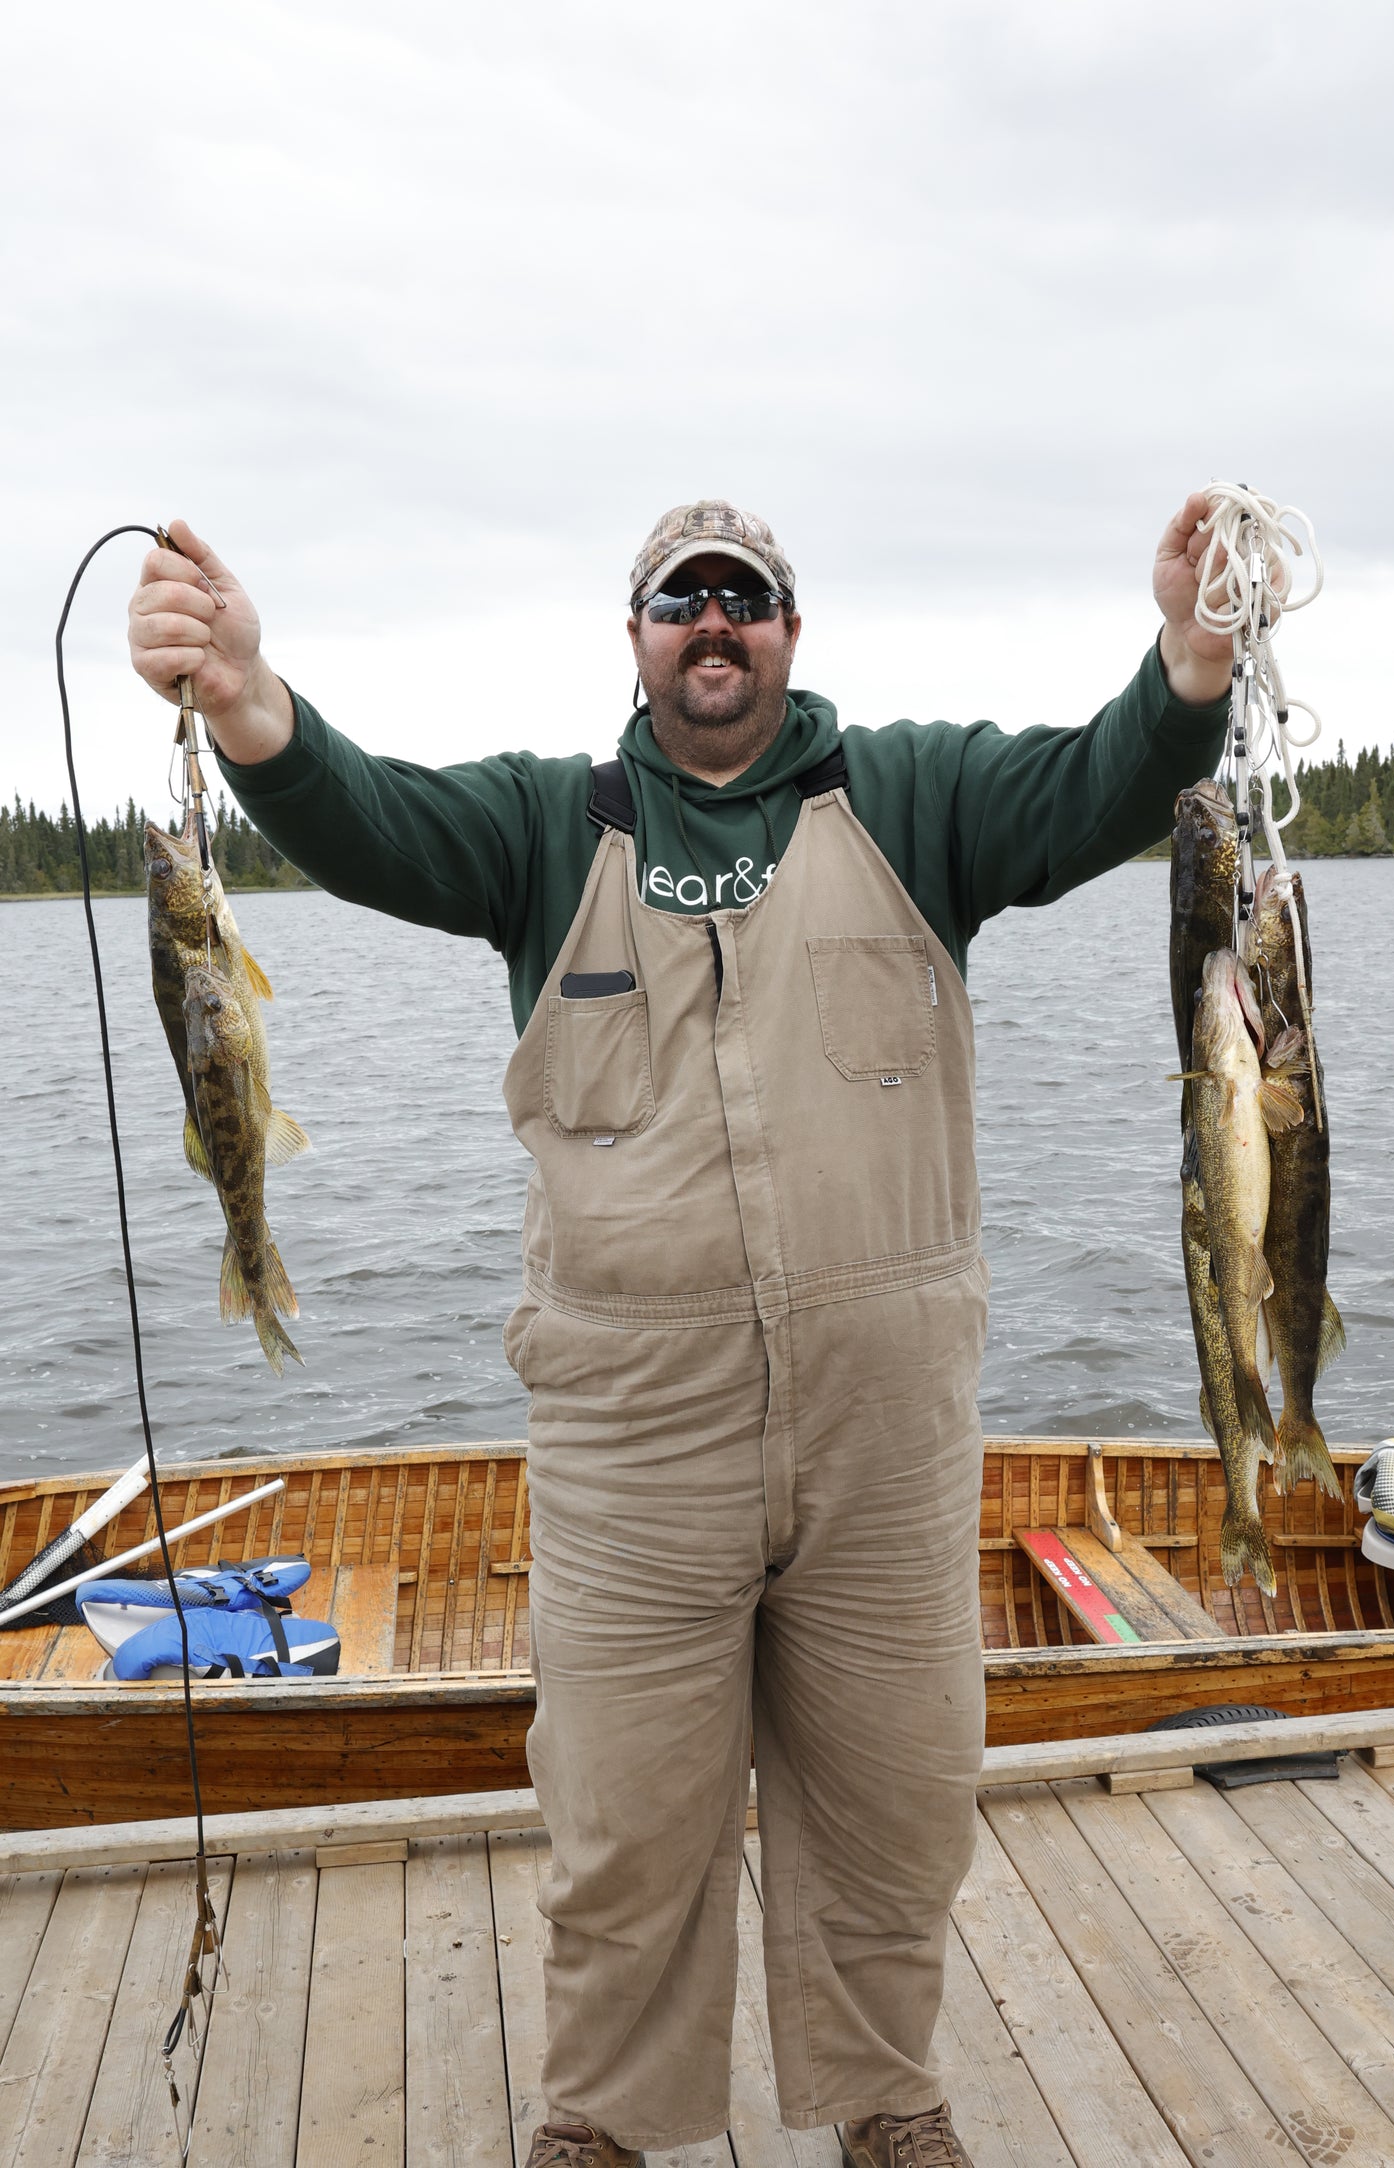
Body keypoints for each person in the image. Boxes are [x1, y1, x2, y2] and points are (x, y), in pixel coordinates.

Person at [128, 497, 1231, 2168]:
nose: (714, 623)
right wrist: (242, 694)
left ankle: (883, 2095)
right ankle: (604, 2118)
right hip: (629, 1443)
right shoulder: (536, 827)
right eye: (679, 599)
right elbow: (355, 814)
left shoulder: (919, 799)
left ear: (793, 628)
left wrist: (1194, 661)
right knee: (624, 1820)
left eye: (748, 598)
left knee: (897, 1800)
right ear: (633, 633)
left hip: (888, 1441)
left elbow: (1101, 778)